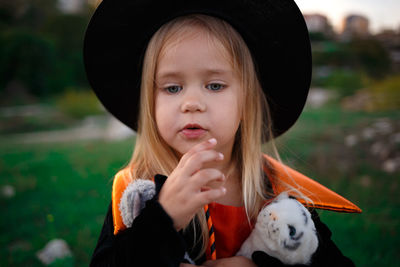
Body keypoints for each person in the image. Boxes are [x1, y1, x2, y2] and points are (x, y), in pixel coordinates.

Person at [83, 0, 361, 266]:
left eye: (215, 86)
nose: (191, 103)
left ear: (247, 101)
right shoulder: (136, 193)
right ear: (150, 101)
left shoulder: (278, 192)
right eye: (172, 88)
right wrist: (162, 219)